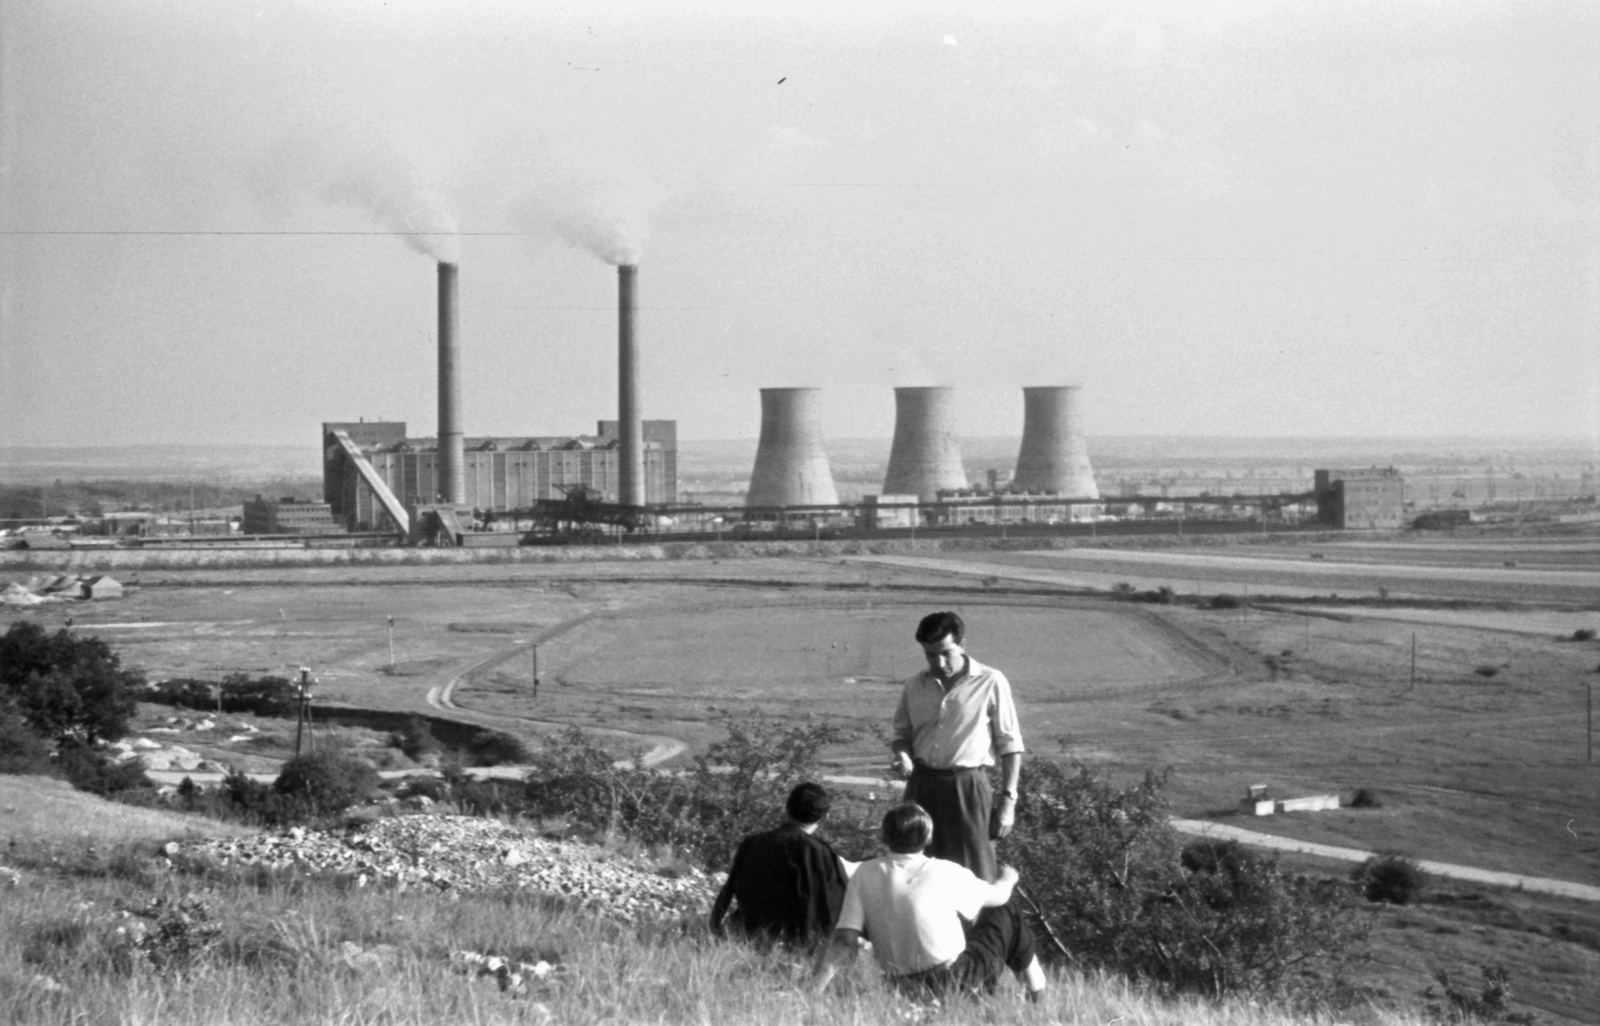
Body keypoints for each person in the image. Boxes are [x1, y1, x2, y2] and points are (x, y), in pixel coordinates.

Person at [809, 802, 1046, 1002]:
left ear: (884, 837)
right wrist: (1008, 878)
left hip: (900, 987)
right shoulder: (945, 871)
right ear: (929, 837)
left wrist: (812, 992)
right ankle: (1037, 993)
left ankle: (1030, 993)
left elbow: (844, 939)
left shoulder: (864, 874)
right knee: (1006, 909)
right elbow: (998, 896)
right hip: (954, 980)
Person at [889, 610, 1023, 882]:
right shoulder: (915, 685)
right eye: (930, 655)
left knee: (973, 871)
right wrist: (903, 755)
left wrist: (1008, 801)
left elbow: (1010, 744)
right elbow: (902, 734)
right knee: (915, 869)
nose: (938, 662)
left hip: (967, 786)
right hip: (921, 785)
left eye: (945, 653)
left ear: (962, 645)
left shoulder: (990, 681)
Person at [708, 781, 853, 948]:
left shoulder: (752, 843)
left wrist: (716, 929)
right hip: (798, 944)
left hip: (746, 936)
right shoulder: (820, 853)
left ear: (787, 809)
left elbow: (729, 889)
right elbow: (836, 909)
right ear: (825, 817)